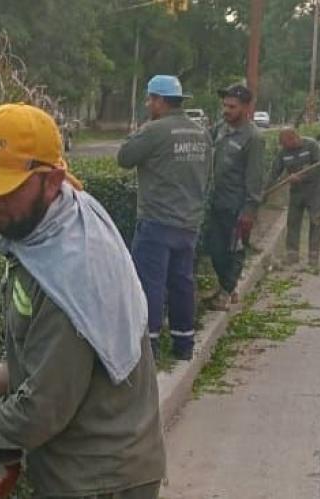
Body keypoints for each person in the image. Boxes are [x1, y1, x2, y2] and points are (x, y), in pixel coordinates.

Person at [0, 103, 165, 497]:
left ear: (52, 181)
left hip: (97, 480)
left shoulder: (71, 273)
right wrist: (9, 368)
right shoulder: (54, 222)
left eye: (5, 187)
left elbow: (45, 408)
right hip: (91, 465)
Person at [117, 75, 211, 360]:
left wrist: (138, 131)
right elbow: (208, 174)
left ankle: (150, 347)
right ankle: (184, 344)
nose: (148, 104)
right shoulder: (201, 132)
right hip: (189, 222)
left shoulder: (155, 130)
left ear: (159, 100)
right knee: (182, 283)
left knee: (150, 284)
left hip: (157, 222)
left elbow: (124, 158)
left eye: (150, 99)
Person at [203, 83, 265, 311]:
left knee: (234, 249)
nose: (226, 110)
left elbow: (255, 176)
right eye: (225, 105)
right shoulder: (221, 128)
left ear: (246, 108)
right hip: (216, 201)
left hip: (237, 205)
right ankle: (227, 287)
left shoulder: (253, 137)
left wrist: (250, 210)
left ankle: (226, 292)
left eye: (232, 107)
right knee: (215, 248)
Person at [269, 128, 320, 267]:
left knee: (315, 221)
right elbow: (274, 171)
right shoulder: (283, 153)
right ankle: (292, 254)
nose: (283, 146)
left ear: (294, 138)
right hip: (296, 192)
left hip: (314, 190)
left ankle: (313, 256)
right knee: (293, 221)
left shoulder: (311, 145)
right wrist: (266, 189)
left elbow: (318, 167)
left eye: (285, 143)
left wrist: (301, 177)